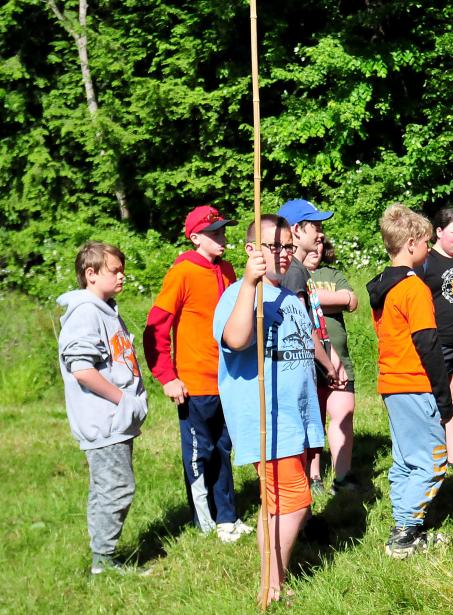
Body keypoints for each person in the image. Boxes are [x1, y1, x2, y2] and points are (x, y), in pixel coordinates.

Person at [213, 215, 325, 603]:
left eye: (286, 248)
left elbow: (304, 345)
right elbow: (236, 338)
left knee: (280, 504)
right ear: (251, 250)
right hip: (269, 419)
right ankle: (271, 582)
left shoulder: (291, 297)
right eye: (272, 246)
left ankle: (272, 584)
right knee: (295, 502)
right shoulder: (240, 294)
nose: (282, 254)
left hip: (297, 418)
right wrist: (248, 282)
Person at [143, 205, 252, 543]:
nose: (222, 237)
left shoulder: (230, 270)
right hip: (194, 383)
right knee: (199, 453)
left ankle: (227, 518)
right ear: (195, 237)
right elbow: (155, 328)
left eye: (223, 231)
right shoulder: (182, 273)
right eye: (215, 232)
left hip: (227, 381)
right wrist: (167, 376)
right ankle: (204, 524)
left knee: (224, 448)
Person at [367, 203, 453, 558]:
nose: (430, 250)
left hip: (391, 384)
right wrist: (443, 395)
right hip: (415, 383)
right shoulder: (413, 288)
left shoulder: (382, 287)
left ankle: (406, 528)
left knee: (405, 460)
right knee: (434, 460)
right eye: (428, 242)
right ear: (413, 243)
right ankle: (404, 533)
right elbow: (428, 342)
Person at [57, 241, 149, 575]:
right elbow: (82, 369)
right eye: (115, 270)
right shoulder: (86, 312)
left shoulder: (106, 308)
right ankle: (105, 561)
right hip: (104, 422)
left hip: (114, 421)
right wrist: (122, 401)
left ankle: (101, 558)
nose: (123, 276)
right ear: (91, 274)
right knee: (117, 487)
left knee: (104, 488)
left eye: (123, 269)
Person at [277, 198, 344, 495]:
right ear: (295, 230)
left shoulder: (297, 269)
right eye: (314, 226)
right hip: (297, 364)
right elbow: (301, 325)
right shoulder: (293, 271)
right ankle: (297, 492)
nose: (320, 233)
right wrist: (328, 364)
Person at [416, 207, 453, 469]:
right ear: (438, 232)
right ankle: (430, 451)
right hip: (439, 342)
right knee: (434, 396)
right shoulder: (426, 262)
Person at [306, 237, 362, 493]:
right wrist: (335, 298)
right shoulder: (294, 275)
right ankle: (313, 475)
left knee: (344, 413)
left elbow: (352, 300)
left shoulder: (332, 273)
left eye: (321, 244)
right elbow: (306, 300)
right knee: (312, 417)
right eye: (312, 243)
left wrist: (316, 298)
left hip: (341, 356)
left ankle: (342, 477)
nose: (316, 249)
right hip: (309, 359)